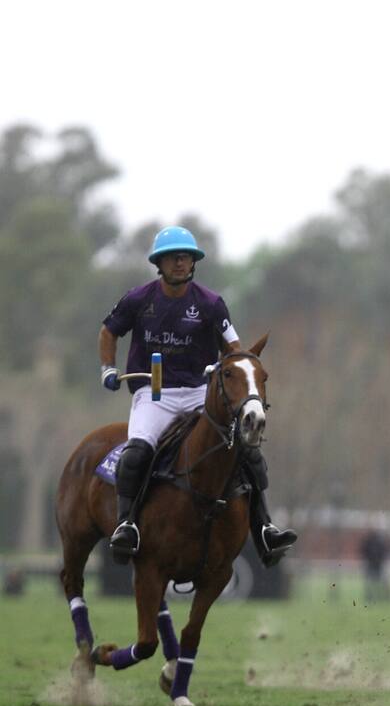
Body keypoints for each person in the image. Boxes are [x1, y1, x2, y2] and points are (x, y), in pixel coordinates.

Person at [99, 226, 297, 567]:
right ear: (159, 263)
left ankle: (264, 527)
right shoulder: (139, 299)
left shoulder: (210, 304)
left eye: (186, 257)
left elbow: (234, 348)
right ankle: (127, 524)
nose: (181, 263)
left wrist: (233, 373)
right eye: (174, 258)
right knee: (138, 450)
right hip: (153, 393)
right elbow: (108, 331)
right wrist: (107, 368)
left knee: (245, 450)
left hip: (197, 393)